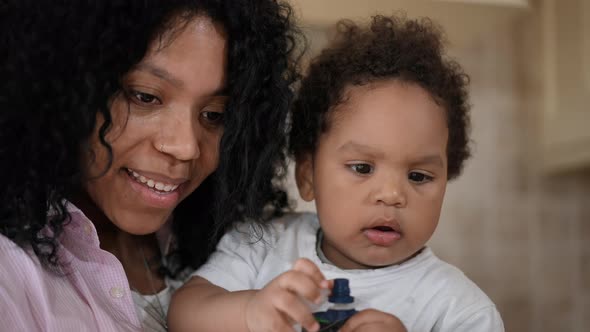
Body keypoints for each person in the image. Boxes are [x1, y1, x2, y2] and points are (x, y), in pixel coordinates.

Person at [168, 14, 505, 332]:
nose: (391, 194)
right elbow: (182, 313)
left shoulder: (460, 310)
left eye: (418, 176)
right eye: (362, 168)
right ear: (308, 175)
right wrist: (250, 311)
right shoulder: (261, 246)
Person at [0, 0, 300, 331]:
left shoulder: (238, 246)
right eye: (145, 96)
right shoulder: (9, 273)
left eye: (215, 114)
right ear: (62, 86)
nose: (185, 147)